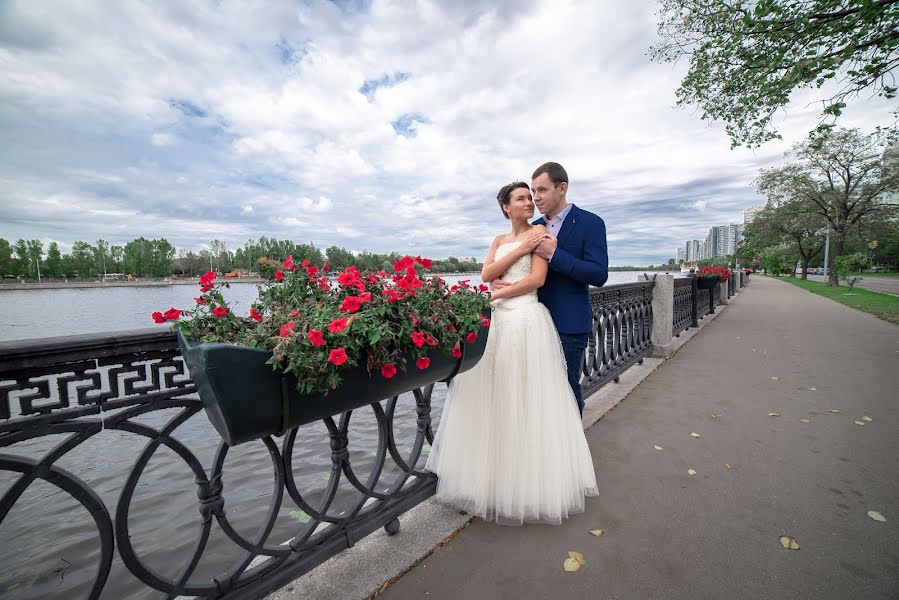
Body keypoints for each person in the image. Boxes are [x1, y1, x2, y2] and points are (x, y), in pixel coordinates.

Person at [425, 181, 598, 525]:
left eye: (530, 197)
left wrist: (496, 294)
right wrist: (515, 255)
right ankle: (496, 477)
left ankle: (529, 483)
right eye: (521, 198)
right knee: (496, 396)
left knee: (529, 398)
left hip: (527, 320)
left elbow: (536, 280)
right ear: (506, 206)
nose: (529, 203)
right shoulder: (501, 241)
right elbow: (487, 273)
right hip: (499, 323)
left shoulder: (541, 236)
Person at [493, 162, 608, 415]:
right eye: (533, 191)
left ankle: (572, 452)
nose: (535, 197)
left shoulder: (591, 223)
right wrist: (496, 279)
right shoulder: (533, 226)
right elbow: (516, 264)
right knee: (535, 392)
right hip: (528, 323)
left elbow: (599, 274)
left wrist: (556, 255)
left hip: (568, 325)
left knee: (566, 391)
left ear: (562, 188)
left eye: (542, 190)